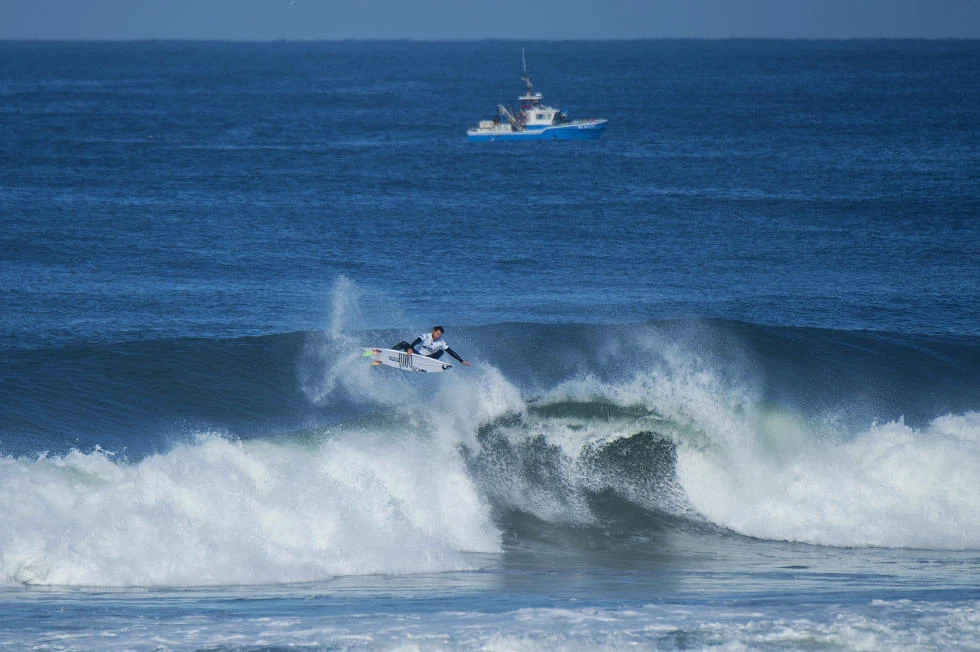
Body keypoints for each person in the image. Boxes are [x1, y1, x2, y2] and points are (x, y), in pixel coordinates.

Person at [392, 326, 472, 367]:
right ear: (433, 331)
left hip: (428, 358)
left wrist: (461, 360)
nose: (438, 337)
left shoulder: (441, 342)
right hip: (417, 355)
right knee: (404, 343)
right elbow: (417, 341)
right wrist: (410, 348)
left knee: (442, 351)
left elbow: (450, 351)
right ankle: (388, 352)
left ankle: (429, 361)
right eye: (437, 334)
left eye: (440, 335)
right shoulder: (426, 336)